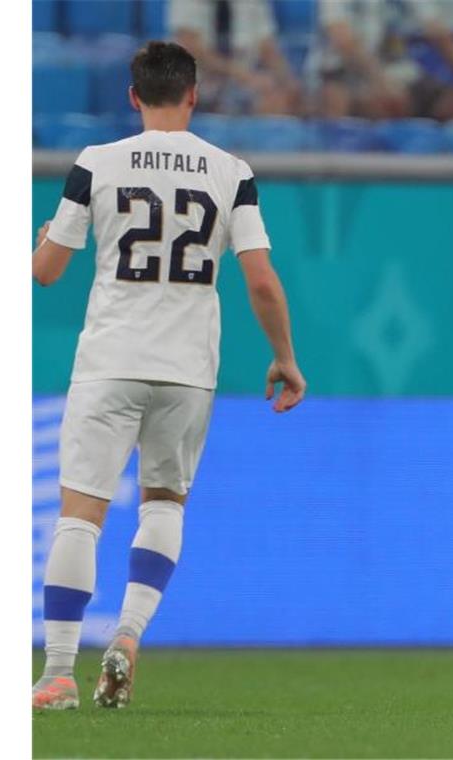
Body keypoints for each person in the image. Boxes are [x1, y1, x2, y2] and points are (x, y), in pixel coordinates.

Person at [31, 41, 306, 710]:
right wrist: (286, 357)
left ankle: (59, 673)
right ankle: (127, 635)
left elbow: (46, 270)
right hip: (187, 370)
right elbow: (261, 280)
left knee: (82, 514)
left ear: (133, 96)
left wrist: (40, 238)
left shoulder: (96, 164)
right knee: (162, 505)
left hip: (109, 361)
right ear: (194, 95)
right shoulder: (229, 170)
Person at [313, 0, 453, 120]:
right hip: (346, 72)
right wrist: (381, 82)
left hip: (401, 73)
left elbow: (437, 30)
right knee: (385, 102)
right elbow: (343, 40)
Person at [168, 0, 304, 115]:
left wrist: (288, 81)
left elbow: (267, 47)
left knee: (277, 100)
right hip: (198, 81)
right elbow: (191, 48)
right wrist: (241, 75)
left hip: (243, 85)